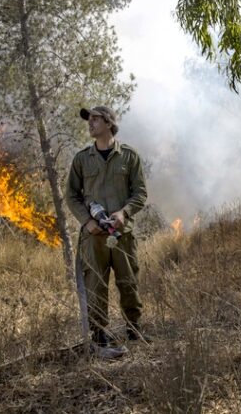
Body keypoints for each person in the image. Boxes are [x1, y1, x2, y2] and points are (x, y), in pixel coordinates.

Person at [65, 105, 149, 348]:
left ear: (109, 123)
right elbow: (71, 196)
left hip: (122, 234)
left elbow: (140, 193)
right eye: (88, 120)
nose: (90, 124)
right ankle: (99, 334)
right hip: (94, 237)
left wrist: (124, 213)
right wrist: (88, 222)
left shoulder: (129, 156)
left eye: (95, 120)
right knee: (95, 284)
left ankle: (134, 331)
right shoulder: (82, 159)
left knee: (128, 282)